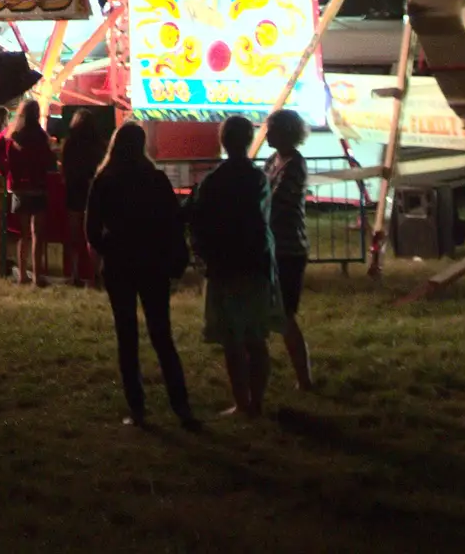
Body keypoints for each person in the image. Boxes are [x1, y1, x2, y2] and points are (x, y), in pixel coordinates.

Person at [85, 122, 199, 431]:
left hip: (120, 264)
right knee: (162, 335)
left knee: (127, 337)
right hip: (153, 264)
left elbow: (91, 230)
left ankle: (138, 408)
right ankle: (182, 406)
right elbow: (173, 222)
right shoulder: (156, 179)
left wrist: (109, 247)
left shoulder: (105, 180)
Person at [189, 115, 282, 419]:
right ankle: (257, 401)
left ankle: (242, 401)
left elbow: (198, 220)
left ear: (223, 141)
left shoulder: (214, 180)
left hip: (225, 265)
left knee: (232, 339)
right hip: (256, 263)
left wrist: (201, 251)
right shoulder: (258, 179)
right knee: (256, 337)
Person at [264, 109, 313, 392]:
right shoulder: (274, 161)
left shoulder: (293, 164)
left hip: (289, 248)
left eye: (271, 129)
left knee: (285, 315)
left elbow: (276, 202)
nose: (267, 134)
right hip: (274, 245)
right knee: (273, 313)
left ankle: (304, 378)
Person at [6, 99, 55, 286]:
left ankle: (23, 276)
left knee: (23, 234)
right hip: (38, 187)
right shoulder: (42, 137)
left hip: (20, 188)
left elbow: (9, 162)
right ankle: (37, 276)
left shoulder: (15, 137)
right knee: (38, 235)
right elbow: (48, 161)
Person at [62, 110, 106, 287]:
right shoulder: (98, 145)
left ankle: (74, 273)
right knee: (93, 235)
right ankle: (94, 275)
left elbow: (64, 168)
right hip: (92, 192)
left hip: (74, 190)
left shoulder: (69, 143)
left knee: (74, 235)